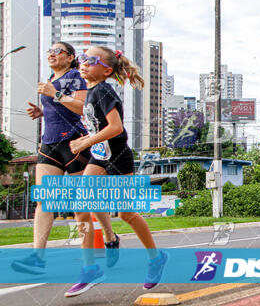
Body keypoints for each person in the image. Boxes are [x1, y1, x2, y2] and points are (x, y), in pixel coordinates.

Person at [64, 47, 167, 297]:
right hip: (100, 157)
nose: (84, 63)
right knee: (81, 206)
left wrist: (84, 142)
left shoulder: (103, 90)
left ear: (107, 70)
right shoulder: (90, 93)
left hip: (119, 158)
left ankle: (156, 258)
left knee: (126, 213)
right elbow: (98, 127)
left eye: (91, 60)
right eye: (83, 59)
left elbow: (116, 128)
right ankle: (90, 268)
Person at [11, 42, 117, 275]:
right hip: (49, 144)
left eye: (57, 51)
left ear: (70, 58)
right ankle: (37, 257)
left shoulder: (75, 77)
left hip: (73, 142)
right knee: (44, 200)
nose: (51, 54)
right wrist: (40, 111)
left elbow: (82, 109)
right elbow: (58, 109)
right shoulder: (51, 78)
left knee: (86, 202)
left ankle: (108, 237)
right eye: (49, 50)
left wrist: (55, 94)